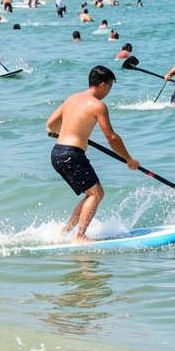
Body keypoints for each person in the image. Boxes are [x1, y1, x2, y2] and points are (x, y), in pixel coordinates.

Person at [45, 65, 139, 244]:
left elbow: (50, 124)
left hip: (57, 153)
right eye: (111, 86)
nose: (110, 91)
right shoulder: (98, 105)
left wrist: (60, 132)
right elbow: (111, 137)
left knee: (91, 194)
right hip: (72, 155)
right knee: (96, 194)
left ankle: (65, 232)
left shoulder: (71, 99)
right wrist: (129, 159)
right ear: (103, 85)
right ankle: (79, 236)